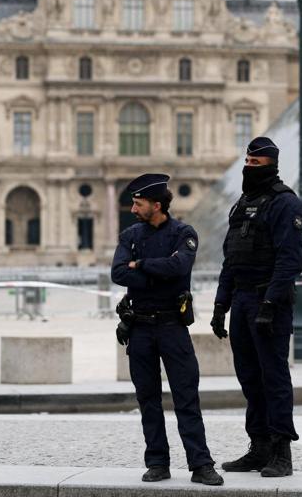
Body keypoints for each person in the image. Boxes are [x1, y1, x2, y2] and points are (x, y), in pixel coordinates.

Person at [111, 173, 223, 486]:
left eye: (138, 203)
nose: (133, 209)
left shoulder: (183, 232)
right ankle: (157, 462)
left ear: (156, 205)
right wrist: (156, 270)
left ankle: (201, 464)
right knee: (147, 399)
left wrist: (141, 265)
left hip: (173, 325)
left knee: (187, 398)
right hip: (141, 327)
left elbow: (180, 268)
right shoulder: (131, 235)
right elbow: (118, 272)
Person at [211, 137, 302, 477]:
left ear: (271, 166)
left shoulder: (285, 203)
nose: (248, 169)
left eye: (255, 165)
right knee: (249, 378)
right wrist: (221, 305)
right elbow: (230, 259)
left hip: (269, 302)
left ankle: (281, 451)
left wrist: (269, 303)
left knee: (274, 377)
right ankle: (259, 445)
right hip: (242, 300)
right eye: (246, 163)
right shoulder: (241, 204)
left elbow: (289, 261)